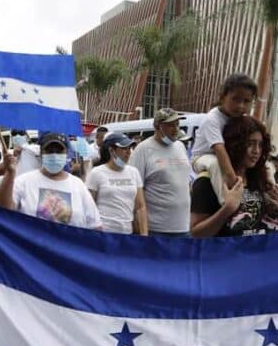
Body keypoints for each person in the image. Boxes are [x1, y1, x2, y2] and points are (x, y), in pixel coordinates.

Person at [190, 116, 278, 237]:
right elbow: (196, 234)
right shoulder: (206, 181)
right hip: (222, 254)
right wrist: (227, 209)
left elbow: (264, 223)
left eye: (260, 145)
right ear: (234, 145)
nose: (256, 151)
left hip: (255, 253)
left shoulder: (260, 179)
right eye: (251, 144)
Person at [0, 133, 102, 229]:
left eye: (59, 151)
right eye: (49, 151)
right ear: (41, 153)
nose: (54, 155)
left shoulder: (78, 185)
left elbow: (95, 226)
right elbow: (1, 210)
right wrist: (9, 174)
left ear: (67, 154)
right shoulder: (24, 181)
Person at [191, 74, 258, 203]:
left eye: (246, 101)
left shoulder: (240, 119)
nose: (240, 106)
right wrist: (233, 180)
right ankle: (227, 201)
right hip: (202, 157)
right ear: (223, 97)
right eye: (235, 99)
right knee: (215, 163)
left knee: (266, 164)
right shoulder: (212, 119)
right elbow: (219, 150)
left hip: (228, 155)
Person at [129, 108, 191, 238]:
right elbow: (134, 191)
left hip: (183, 227)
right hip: (156, 229)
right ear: (157, 126)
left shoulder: (180, 146)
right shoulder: (143, 150)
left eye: (177, 124)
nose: (175, 129)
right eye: (170, 125)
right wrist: (140, 227)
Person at [86, 132, 148, 235]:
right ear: (111, 150)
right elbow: (89, 206)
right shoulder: (96, 173)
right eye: (124, 148)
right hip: (104, 233)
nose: (128, 152)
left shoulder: (134, 172)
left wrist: (144, 234)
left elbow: (140, 206)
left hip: (127, 234)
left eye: (129, 148)